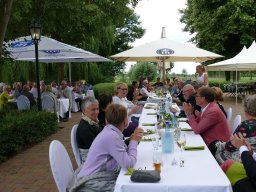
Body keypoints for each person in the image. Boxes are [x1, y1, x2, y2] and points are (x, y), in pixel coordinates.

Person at [69, 104, 143, 191]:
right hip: (92, 181)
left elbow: (123, 153)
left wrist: (132, 139)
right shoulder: (112, 136)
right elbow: (128, 164)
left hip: (93, 174)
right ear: (125, 121)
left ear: (107, 120)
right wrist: (134, 141)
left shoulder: (110, 131)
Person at [215, 94, 256, 164]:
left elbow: (230, 146)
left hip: (243, 160)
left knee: (215, 147)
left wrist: (225, 144)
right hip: (251, 159)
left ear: (246, 110)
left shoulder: (245, 125)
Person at [76, 96, 100, 163]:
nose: (97, 112)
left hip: (98, 158)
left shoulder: (93, 122)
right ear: (84, 111)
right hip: (92, 163)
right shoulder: (85, 128)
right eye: (93, 110)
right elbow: (98, 149)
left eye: (97, 109)